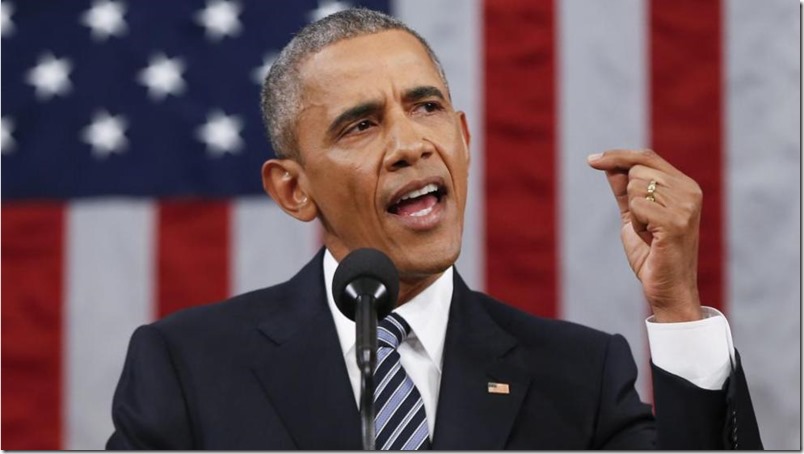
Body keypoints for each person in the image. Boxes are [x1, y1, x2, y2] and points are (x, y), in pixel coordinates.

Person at [107, 8, 761, 450]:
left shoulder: (579, 375)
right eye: (361, 125)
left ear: (465, 139)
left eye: (426, 107)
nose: (410, 144)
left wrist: (675, 308)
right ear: (294, 189)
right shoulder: (187, 367)